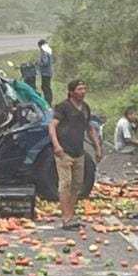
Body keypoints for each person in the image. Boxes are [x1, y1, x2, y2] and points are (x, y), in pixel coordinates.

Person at [49, 79, 103, 230]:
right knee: (65, 183)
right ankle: (66, 218)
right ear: (72, 92)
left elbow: (89, 129)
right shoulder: (63, 107)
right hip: (64, 151)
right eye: (79, 89)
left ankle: (71, 214)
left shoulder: (85, 108)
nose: (83, 92)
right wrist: (56, 145)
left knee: (77, 184)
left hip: (79, 151)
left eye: (84, 89)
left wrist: (97, 147)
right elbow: (52, 126)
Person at [37, 39, 55, 105]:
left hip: (45, 72)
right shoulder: (49, 51)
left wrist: (38, 63)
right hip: (49, 71)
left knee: (45, 87)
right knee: (46, 87)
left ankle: (48, 102)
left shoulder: (44, 52)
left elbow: (45, 62)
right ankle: (49, 101)